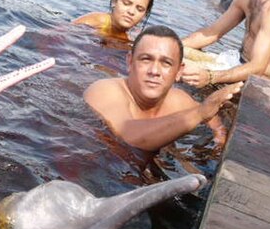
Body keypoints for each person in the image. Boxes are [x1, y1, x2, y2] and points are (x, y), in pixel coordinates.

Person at [84, 25, 243, 152]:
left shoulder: (179, 100)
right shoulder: (104, 91)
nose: (154, 71)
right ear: (130, 62)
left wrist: (219, 136)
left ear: (178, 71)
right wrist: (200, 113)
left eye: (166, 63)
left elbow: (213, 117)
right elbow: (130, 136)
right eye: (146, 59)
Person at [73, 0, 154, 41]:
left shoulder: (137, 37)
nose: (131, 12)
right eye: (126, 3)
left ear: (144, 15)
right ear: (114, 1)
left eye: (139, 9)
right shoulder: (97, 21)